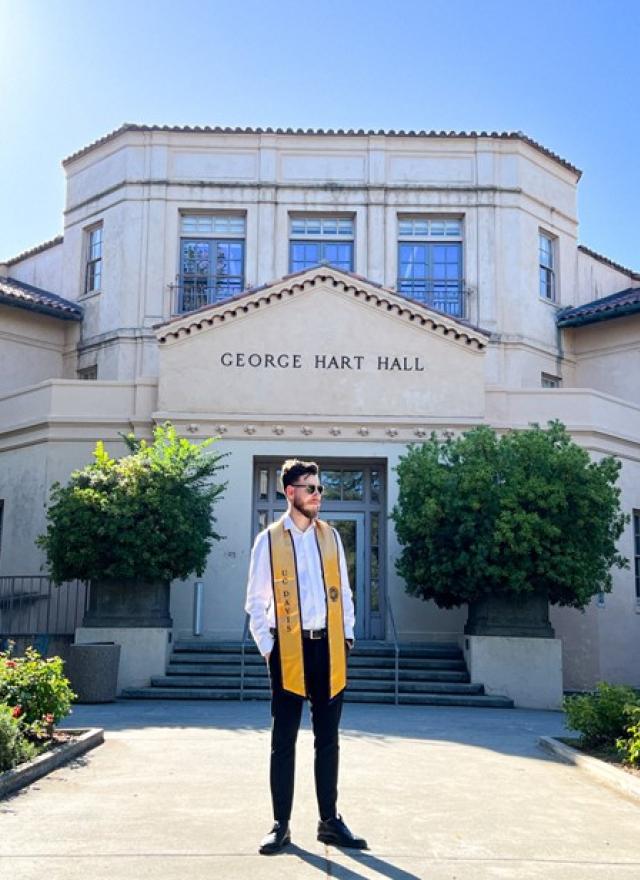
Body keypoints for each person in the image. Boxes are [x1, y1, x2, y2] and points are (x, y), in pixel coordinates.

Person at [245, 458, 368, 855]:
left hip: (328, 648)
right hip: (289, 649)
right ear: (290, 492)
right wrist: (270, 649)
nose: (318, 495)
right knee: (284, 741)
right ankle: (281, 824)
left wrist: (347, 637)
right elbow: (255, 603)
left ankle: (329, 821)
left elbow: (345, 592)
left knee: (328, 739)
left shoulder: (330, 537)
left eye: (320, 488)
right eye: (311, 488)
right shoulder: (269, 540)